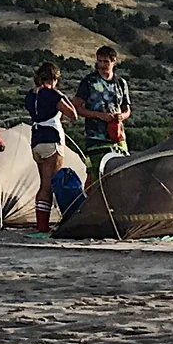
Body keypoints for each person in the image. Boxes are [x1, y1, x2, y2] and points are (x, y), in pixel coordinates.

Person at [27, 62, 75, 231]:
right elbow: (72, 115)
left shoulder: (31, 95)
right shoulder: (52, 95)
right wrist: (62, 96)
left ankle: (41, 224)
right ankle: (44, 227)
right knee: (50, 184)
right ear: (54, 78)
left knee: (43, 183)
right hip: (52, 139)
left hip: (36, 139)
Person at [75, 46, 131, 161]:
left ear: (113, 61)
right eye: (99, 61)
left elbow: (127, 109)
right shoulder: (89, 81)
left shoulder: (121, 83)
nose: (102, 65)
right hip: (95, 137)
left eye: (106, 62)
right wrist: (99, 115)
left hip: (117, 136)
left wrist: (122, 116)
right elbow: (77, 107)